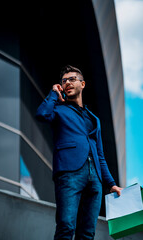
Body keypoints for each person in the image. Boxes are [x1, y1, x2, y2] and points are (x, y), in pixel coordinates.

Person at [36, 65, 122, 240]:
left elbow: (100, 155)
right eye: (64, 81)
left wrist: (111, 183)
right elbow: (41, 114)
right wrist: (54, 93)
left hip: (95, 179)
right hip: (69, 173)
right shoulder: (58, 110)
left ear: (82, 84)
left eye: (72, 79)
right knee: (66, 226)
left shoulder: (94, 119)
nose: (67, 83)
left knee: (88, 233)